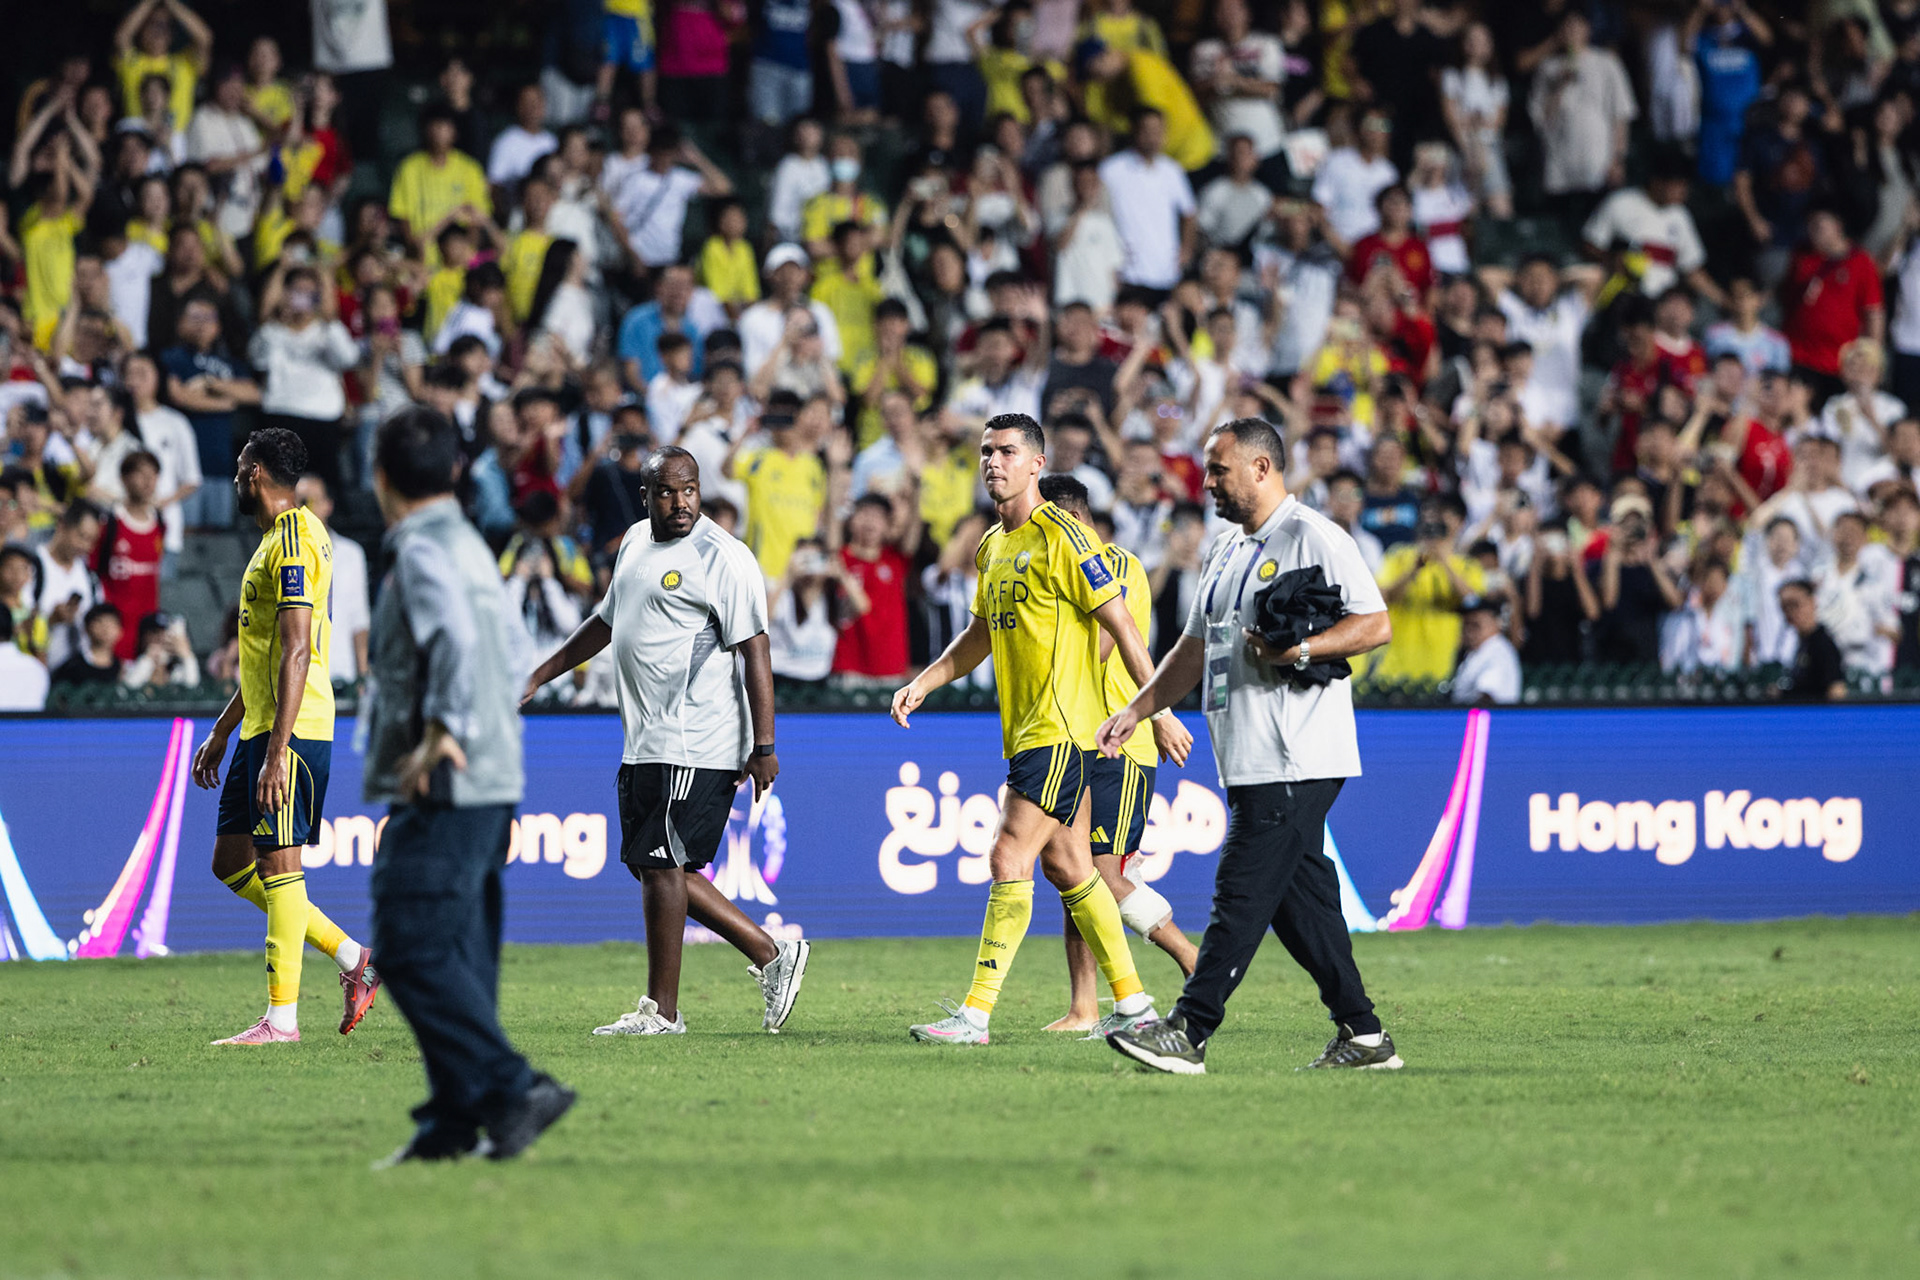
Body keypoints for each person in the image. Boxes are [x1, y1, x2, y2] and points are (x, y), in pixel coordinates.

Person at [1099, 416, 1401, 1075]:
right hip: (1249, 752)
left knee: (1241, 888)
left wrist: (1305, 647)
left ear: (1262, 469)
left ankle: (1189, 1029)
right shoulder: (1229, 548)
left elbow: (1375, 623)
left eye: (1218, 469)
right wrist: (1139, 708)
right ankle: (1366, 1035)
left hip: (1298, 751)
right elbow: (1193, 648)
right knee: (1301, 903)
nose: (1205, 482)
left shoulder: (1312, 535)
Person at [890, 412, 1169, 1046]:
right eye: (986, 452)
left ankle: (976, 1015)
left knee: (1008, 855)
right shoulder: (992, 547)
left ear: (1037, 464)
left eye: (1007, 452)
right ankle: (1134, 1006)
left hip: (1062, 730)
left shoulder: (1066, 538)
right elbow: (980, 637)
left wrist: (1155, 709)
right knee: (1072, 868)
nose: (993, 462)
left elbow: (1123, 629)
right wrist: (924, 682)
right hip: (1026, 732)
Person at [522, 447, 808, 1036]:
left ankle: (663, 1012)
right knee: (656, 866)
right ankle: (771, 954)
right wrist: (540, 674)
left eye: (690, 490)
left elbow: (756, 649)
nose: (681, 503)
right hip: (644, 737)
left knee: (661, 864)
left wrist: (765, 745)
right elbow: (606, 622)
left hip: (696, 737)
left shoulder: (722, 556)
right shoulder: (632, 542)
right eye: (668, 493)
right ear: (645, 496)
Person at [362, 406, 573, 1164]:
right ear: (454, 470)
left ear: (379, 473)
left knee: (409, 942)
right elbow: (512, 648)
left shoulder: (420, 549)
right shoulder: (475, 546)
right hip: (494, 772)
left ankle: (514, 1089)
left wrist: (445, 728)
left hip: (448, 777)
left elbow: (449, 634)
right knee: (459, 949)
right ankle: (451, 1123)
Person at [188, 427, 379, 1045]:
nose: (238, 478)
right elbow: (267, 654)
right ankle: (353, 959)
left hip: (291, 732)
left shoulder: (294, 540)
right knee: (232, 862)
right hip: (264, 727)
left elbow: (298, 650)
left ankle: (282, 1021)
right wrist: (224, 730)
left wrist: (277, 752)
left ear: (256, 472)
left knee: (279, 865)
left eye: (242, 467)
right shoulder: (274, 540)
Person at [1036, 475, 1198, 1033]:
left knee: (1099, 876)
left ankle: (1196, 964)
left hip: (1122, 746)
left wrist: (1161, 713)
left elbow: (1105, 643)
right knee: (1072, 877)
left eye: (1045, 521)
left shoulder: (1115, 565)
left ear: (1071, 520)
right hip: (1077, 739)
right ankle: (1084, 1008)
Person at [296, 474, 370, 685]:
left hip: (340, 672)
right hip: (297, 678)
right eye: (301, 502)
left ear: (328, 505)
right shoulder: (282, 554)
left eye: (313, 501)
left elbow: (359, 618)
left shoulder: (351, 554)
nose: (306, 509)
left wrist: (362, 674)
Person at [1777, 578, 1847, 700]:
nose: (1790, 612)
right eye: (1784, 607)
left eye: (1794, 605)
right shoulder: (1800, 642)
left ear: (1812, 602)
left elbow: (1836, 691)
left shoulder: (1823, 644)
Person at [1450, 594, 1521, 704]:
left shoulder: (1497, 652)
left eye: (1475, 625)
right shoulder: (1479, 650)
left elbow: (1487, 698)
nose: (1469, 631)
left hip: (1489, 719)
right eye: (1465, 625)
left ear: (1497, 623)